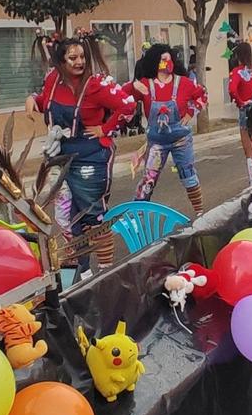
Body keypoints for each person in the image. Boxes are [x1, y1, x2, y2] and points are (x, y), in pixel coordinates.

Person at [26, 35, 136, 271]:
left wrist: (105, 129)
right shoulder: (53, 80)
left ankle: (106, 272)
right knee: (66, 218)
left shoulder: (95, 85)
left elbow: (128, 105)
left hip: (92, 158)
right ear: (60, 61)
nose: (79, 62)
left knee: (93, 219)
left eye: (82, 57)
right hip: (61, 157)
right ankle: (81, 271)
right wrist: (33, 100)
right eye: (73, 57)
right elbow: (47, 101)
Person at [132, 45, 207, 214]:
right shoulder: (146, 84)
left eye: (169, 59)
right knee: (148, 179)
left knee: (188, 174)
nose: (167, 63)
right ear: (154, 62)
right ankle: (137, 215)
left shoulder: (184, 82)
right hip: (157, 142)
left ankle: (200, 212)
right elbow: (123, 97)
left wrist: (189, 114)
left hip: (181, 139)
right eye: (163, 60)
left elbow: (202, 95)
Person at [226, 41, 252, 154]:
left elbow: (232, 90)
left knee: (247, 142)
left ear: (237, 56)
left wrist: (240, 102)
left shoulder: (237, 72)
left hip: (246, 110)